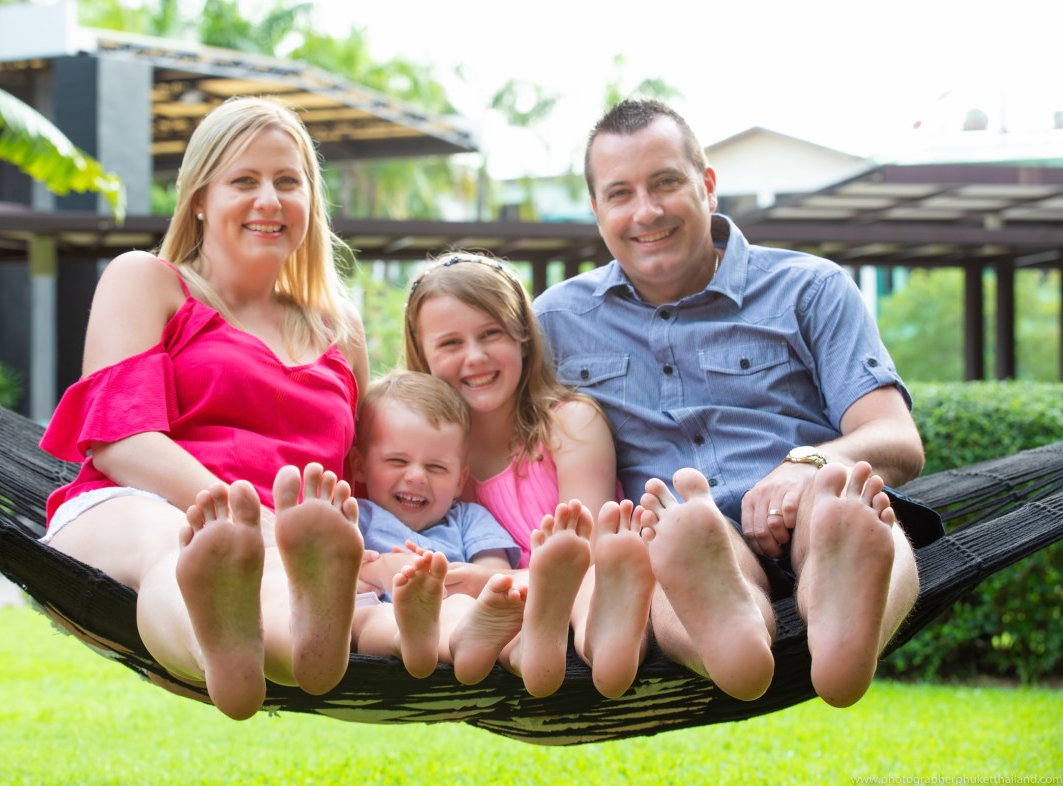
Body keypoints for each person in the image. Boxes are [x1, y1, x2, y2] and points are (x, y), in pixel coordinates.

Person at [532, 99, 940, 708]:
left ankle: (839, 631)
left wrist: (802, 466)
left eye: (665, 182)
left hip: (811, 512)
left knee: (848, 513)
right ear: (597, 211)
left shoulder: (810, 288)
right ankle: (736, 632)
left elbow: (896, 439)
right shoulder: (556, 322)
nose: (646, 211)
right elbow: (471, 421)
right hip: (684, 536)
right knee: (675, 545)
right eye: (621, 194)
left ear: (708, 185)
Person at [38, 95, 372, 721]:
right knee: (181, 546)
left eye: (287, 182)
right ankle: (219, 647)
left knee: (270, 571)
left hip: (286, 550)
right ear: (199, 197)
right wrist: (247, 518)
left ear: (310, 201)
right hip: (135, 505)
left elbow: (358, 471)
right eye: (243, 181)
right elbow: (122, 439)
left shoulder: (339, 328)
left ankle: (302, 645)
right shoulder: (149, 281)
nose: (269, 200)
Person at [403, 253, 657, 698]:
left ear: (522, 337)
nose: (475, 357)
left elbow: (591, 549)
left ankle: (605, 646)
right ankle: (529, 649)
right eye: (450, 344)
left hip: (584, 584)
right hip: (491, 608)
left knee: (594, 580)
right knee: (469, 609)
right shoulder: (424, 460)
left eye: (491, 334)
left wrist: (492, 580)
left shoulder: (569, 424)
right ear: (422, 356)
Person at [344, 369, 527, 683]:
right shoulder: (356, 516)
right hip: (382, 614)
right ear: (360, 466)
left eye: (436, 467)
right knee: (366, 617)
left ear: (460, 480)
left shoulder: (469, 519)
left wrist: (464, 579)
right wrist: (385, 569)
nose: (416, 477)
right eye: (397, 461)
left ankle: (521, 654)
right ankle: (413, 639)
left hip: (461, 616)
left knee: (470, 607)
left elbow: (498, 579)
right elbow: (338, 575)